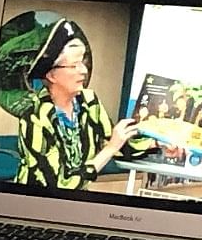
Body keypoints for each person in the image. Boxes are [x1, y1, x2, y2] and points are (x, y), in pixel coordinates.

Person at [14, 19, 150, 189]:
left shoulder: (89, 101)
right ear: (51, 75)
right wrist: (110, 149)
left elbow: (121, 146)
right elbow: (61, 185)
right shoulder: (34, 117)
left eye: (83, 63)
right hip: (35, 206)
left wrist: (160, 143)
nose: (84, 71)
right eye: (74, 66)